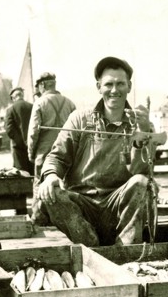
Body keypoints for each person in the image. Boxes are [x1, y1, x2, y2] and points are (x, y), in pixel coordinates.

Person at [36, 57, 156, 246]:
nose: (114, 90)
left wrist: (142, 135)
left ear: (129, 86)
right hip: (82, 208)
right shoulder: (79, 120)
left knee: (142, 183)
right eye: (108, 84)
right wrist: (50, 175)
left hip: (118, 208)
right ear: (99, 86)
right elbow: (57, 157)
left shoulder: (141, 125)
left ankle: (125, 250)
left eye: (120, 84)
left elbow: (142, 172)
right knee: (50, 192)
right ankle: (88, 244)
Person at [27, 72, 76, 224]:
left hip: (44, 150)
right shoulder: (69, 103)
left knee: (39, 183)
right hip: (65, 150)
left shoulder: (40, 103)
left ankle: (39, 217)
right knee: (65, 183)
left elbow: (33, 132)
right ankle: (63, 218)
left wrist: (31, 152)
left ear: (42, 85)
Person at [4, 87, 34, 174]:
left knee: (21, 172)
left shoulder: (10, 109)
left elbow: (9, 129)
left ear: (13, 98)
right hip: (32, 144)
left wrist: (18, 141)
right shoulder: (32, 106)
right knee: (32, 172)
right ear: (22, 95)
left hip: (18, 147)